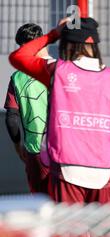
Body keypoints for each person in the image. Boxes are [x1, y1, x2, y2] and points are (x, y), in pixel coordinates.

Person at [9, 17, 110, 237]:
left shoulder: (58, 71)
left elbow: (19, 57)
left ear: (68, 43)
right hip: (104, 175)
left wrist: (53, 33)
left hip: (67, 172)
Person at [4, 23, 53, 194]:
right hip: (66, 150)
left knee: (42, 205)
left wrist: (18, 146)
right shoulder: (64, 69)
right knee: (69, 208)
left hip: (36, 152)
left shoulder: (18, 77)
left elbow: (12, 118)